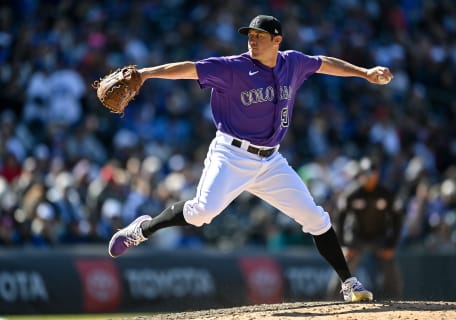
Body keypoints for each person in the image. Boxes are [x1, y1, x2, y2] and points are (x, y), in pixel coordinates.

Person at [108, 14, 394, 302]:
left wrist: (365, 72)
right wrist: (145, 73)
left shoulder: (292, 63)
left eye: (259, 36)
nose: (252, 40)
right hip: (231, 154)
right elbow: (188, 69)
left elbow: (324, 62)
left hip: (271, 161)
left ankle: (349, 282)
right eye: (250, 35)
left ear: (277, 40)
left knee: (316, 219)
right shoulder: (233, 67)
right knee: (201, 213)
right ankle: (141, 229)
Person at [328, 157, 404, 299]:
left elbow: (397, 219)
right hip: (356, 236)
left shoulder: (385, 193)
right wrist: (343, 244)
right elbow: (339, 218)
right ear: (360, 175)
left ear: (378, 175)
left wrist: (391, 245)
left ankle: (396, 299)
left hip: (379, 235)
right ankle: (332, 299)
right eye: (366, 174)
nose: (369, 178)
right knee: (343, 265)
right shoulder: (352, 193)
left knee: (390, 266)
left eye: (372, 174)